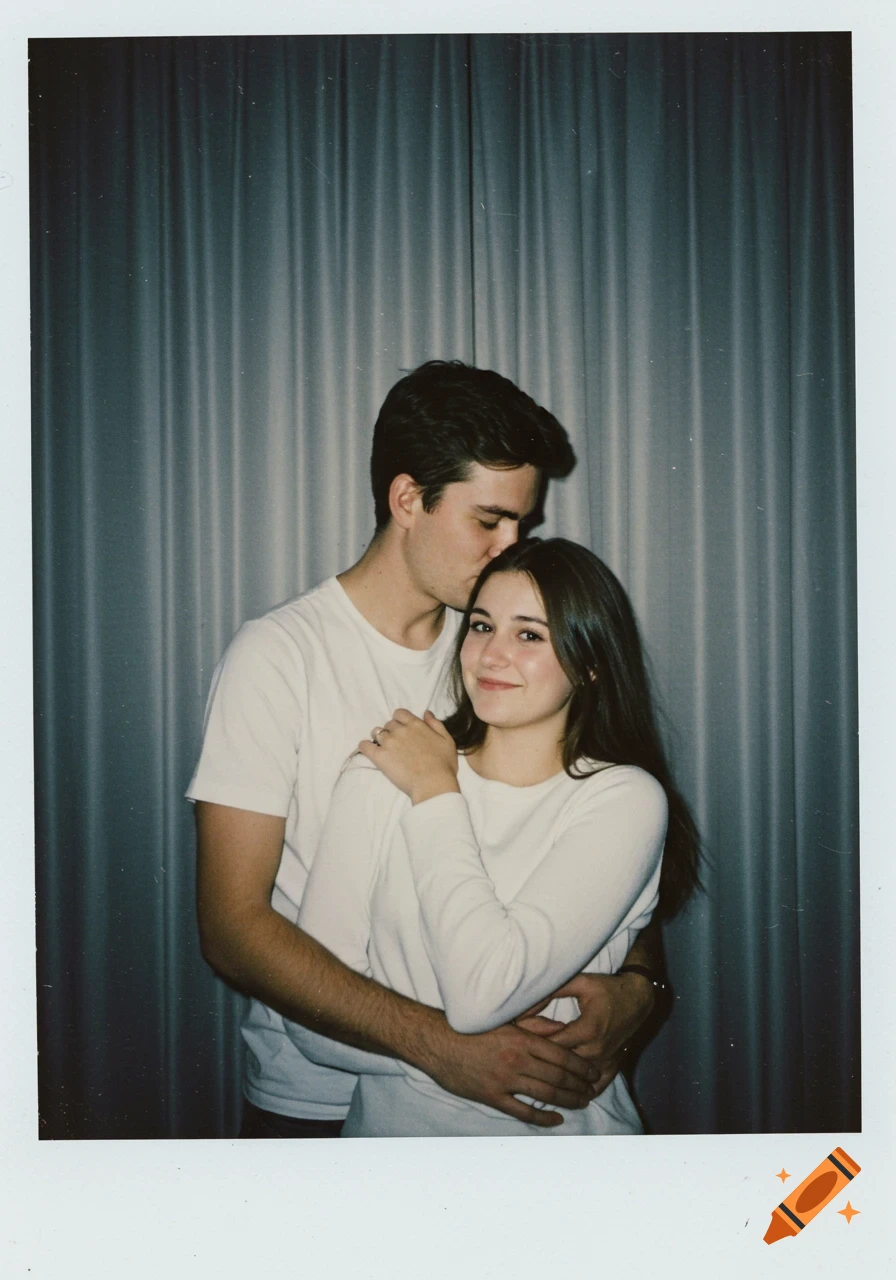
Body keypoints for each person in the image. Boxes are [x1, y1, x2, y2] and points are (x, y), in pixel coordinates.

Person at [188, 360, 665, 1138]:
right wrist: (443, 1048)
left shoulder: (501, 657)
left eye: (524, 524)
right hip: (317, 1094)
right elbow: (233, 927)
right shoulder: (280, 656)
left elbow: (594, 852)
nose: (511, 548)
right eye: (489, 521)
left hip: (510, 1102)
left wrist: (642, 989)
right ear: (407, 499)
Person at [287, 538, 700, 1136]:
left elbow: (484, 989)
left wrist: (435, 792)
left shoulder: (623, 799)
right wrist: (450, 1058)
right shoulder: (382, 773)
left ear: (590, 663)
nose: (490, 655)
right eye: (481, 626)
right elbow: (310, 1018)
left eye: (529, 634)